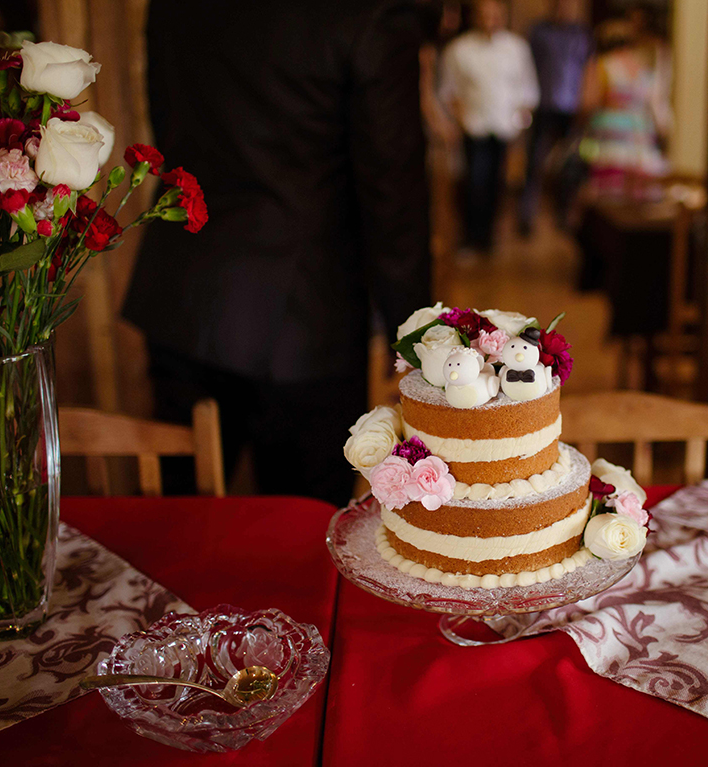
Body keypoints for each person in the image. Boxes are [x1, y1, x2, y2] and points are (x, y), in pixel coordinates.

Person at [122, 0, 431, 505]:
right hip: (305, 316)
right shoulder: (368, 14)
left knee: (181, 530)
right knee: (301, 538)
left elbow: (169, 122)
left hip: (183, 288)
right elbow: (393, 191)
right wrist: (416, 337)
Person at [439, 0, 538, 256]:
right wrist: (460, 121)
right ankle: (472, 236)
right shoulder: (460, 49)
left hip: (504, 128)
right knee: (474, 183)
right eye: (485, 15)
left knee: (497, 185)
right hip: (474, 127)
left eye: (495, 15)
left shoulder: (516, 48)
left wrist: (520, 124)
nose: (490, 20)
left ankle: (489, 238)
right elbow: (449, 92)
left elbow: (527, 90)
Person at [516, 0, 592, 235]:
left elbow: (588, 69)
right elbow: (527, 69)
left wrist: (586, 102)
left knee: (570, 164)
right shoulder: (539, 32)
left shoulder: (582, 35)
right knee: (534, 163)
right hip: (544, 105)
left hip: (572, 108)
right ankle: (526, 216)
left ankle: (564, 215)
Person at [579, 11, 671, 201]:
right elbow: (654, 106)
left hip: (610, 144)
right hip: (641, 145)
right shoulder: (642, 69)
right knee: (635, 203)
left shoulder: (602, 66)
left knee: (609, 203)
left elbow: (588, 103)